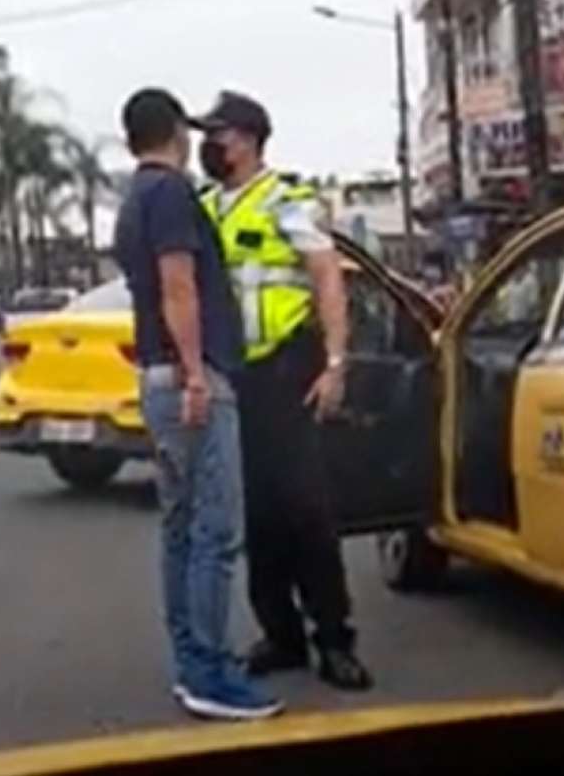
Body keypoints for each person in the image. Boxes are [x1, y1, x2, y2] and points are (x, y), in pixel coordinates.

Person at [113, 88, 282, 721]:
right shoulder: (172, 194)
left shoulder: (134, 199)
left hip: (158, 376)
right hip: (190, 376)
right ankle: (211, 672)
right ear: (176, 132)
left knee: (181, 528)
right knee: (215, 529)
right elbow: (178, 286)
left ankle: (192, 661)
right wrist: (196, 377)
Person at [195, 91, 372, 691]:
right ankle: (283, 634)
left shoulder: (286, 202)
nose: (208, 146)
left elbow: (327, 279)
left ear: (245, 139)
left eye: (217, 135)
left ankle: (334, 638)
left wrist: (336, 364)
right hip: (234, 377)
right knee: (258, 513)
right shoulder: (209, 207)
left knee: (306, 510)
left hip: (288, 372)